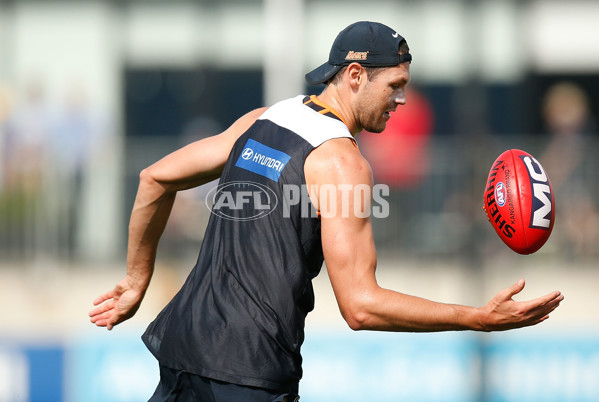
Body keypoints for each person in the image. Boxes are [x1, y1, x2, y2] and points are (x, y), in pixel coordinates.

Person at [89, 21, 564, 401]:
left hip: (183, 346)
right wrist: (476, 317)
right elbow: (360, 306)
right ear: (355, 76)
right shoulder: (342, 161)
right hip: (248, 371)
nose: (402, 99)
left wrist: (136, 281)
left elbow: (155, 178)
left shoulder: (265, 118)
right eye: (395, 86)